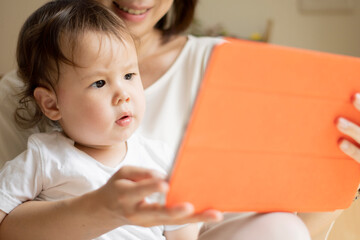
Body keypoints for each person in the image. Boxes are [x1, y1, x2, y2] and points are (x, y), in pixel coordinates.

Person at [0, 0, 356, 239]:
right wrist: (100, 209)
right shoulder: (43, 154)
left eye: (130, 75)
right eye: (98, 82)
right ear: (50, 105)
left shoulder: (157, 155)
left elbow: (185, 228)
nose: (124, 94)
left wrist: (334, 168)